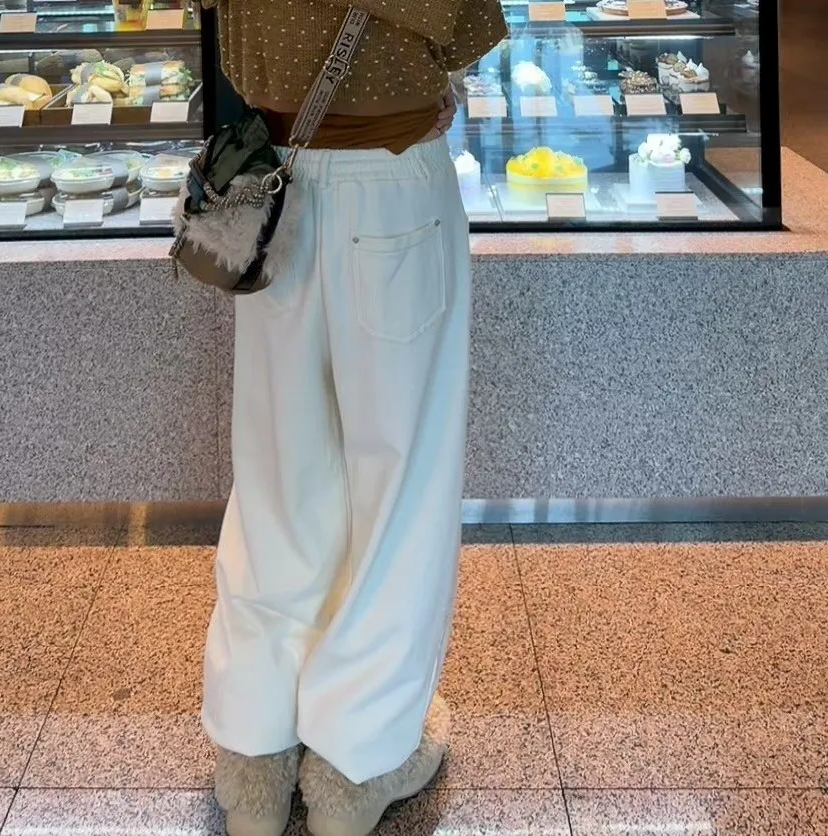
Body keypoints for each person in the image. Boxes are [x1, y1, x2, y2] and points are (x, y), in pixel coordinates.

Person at [200, 2, 507, 835]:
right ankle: (356, 757)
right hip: (392, 179)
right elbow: (469, 24)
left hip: (273, 179)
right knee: (399, 475)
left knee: (278, 473)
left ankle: (254, 752)